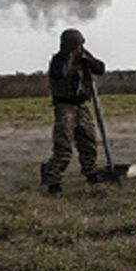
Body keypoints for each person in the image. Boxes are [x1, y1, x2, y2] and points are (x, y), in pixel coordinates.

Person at [39, 28, 106, 195]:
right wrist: (69, 57)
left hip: (82, 105)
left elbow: (100, 68)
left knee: (88, 141)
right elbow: (59, 74)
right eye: (77, 46)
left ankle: (91, 172)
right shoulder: (58, 60)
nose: (80, 48)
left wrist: (86, 59)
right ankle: (53, 181)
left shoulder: (84, 56)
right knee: (63, 147)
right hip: (65, 107)